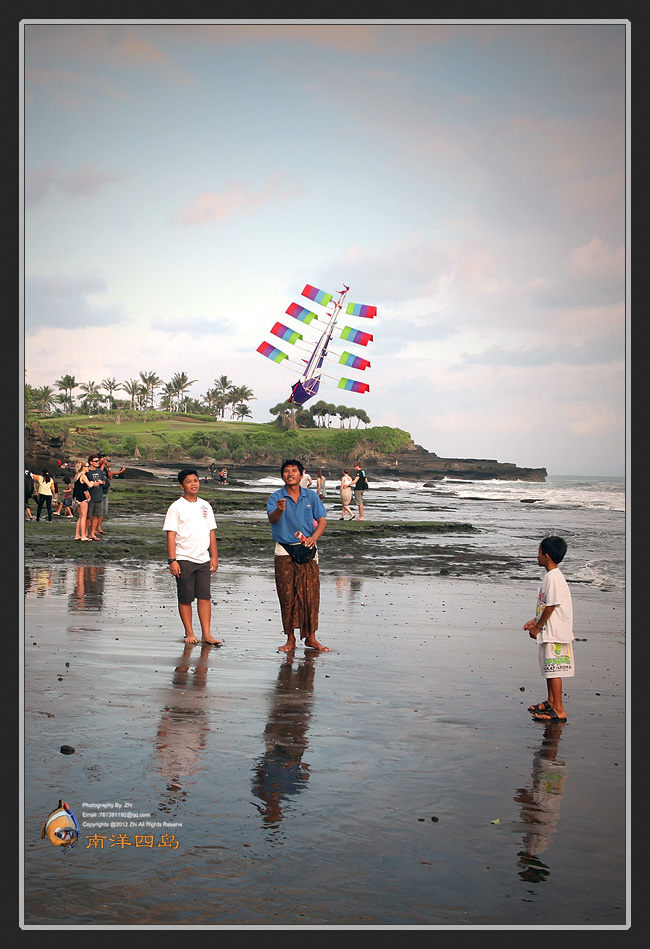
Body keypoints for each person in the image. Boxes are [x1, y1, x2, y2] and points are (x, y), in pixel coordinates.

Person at [267, 459, 328, 652]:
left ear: (302, 475)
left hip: (308, 549)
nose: (290, 473)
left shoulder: (311, 496)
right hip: (284, 549)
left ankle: (311, 638)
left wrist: (313, 538)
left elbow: (322, 521)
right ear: (282, 476)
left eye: (294, 470)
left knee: (311, 595)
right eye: (286, 471)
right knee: (287, 595)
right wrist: (279, 509)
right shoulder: (276, 497)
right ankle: (290, 639)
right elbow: (272, 519)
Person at [163, 467, 221, 646]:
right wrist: (172, 560)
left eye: (195, 480)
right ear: (182, 486)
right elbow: (171, 535)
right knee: (186, 597)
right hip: (183, 558)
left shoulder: (205, 506)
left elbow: (211, 532)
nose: (193, 484)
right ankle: (189, 632)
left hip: (203, 558)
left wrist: (214, 557)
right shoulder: (176, 507)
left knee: (205, 597)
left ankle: (206, 634)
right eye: (188, 482)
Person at [522, 536, 575, 725]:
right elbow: (546, 606)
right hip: (550, 629)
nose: (537, 556)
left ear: (546, 556)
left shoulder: (553, 578)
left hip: (555, 632)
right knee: (548, 668)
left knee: (554, 670)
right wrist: (534, 621)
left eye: (538, 553)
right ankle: (552, 701)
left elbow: (551, 606)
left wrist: (537, 627)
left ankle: (559, 709)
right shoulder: (551, 577)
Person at [96, 454, 126, 533]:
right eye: (102, 458)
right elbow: (99, 474)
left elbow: (110, 477)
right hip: (98, 491)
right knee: (97, 512)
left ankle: (99, 528)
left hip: (105, 491)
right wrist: (103, 464)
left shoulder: (105, 468)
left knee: (103, 512)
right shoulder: (96, 467)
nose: (104, 460)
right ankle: (94, 528)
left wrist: (109, 468)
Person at [85, 454, 106, 540]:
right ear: (91, 462)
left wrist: (101, 482)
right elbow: (83, 484)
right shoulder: (87, 472)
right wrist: (92, 484)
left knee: (97, 515)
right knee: (88, 516)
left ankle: (92, 533)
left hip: (99, 496)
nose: (98, 462)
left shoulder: (100, 471)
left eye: (98, 461)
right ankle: (85, 532)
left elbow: (104, 482)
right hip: (90, 497)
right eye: (96, 461)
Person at [72, 460, 92, 540]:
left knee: (80, 517)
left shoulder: (76, 475)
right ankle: (83, 536)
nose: (88, 468)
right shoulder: (83, 476)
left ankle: (77, 535)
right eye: (87, 466)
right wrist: (93, 482)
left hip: (77, 497)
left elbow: (75, 487)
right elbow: (90, 485)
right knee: (83, 517)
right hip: (82, 497)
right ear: (83, 467)